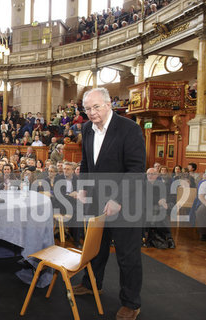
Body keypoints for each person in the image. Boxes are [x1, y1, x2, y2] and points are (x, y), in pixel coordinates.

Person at [75, 87, 145, 320]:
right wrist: (84, 187)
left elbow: (136, 171)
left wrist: (118, 200)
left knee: (127, 255)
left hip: (127, 202)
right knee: (96, 247)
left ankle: (131, 303)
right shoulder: (86, 129)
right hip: (96, 199)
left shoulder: (130, 129)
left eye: (96, 107)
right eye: (87, 109)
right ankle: (92, 284)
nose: (92, 112)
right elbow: (86, 163)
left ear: (108, 105)